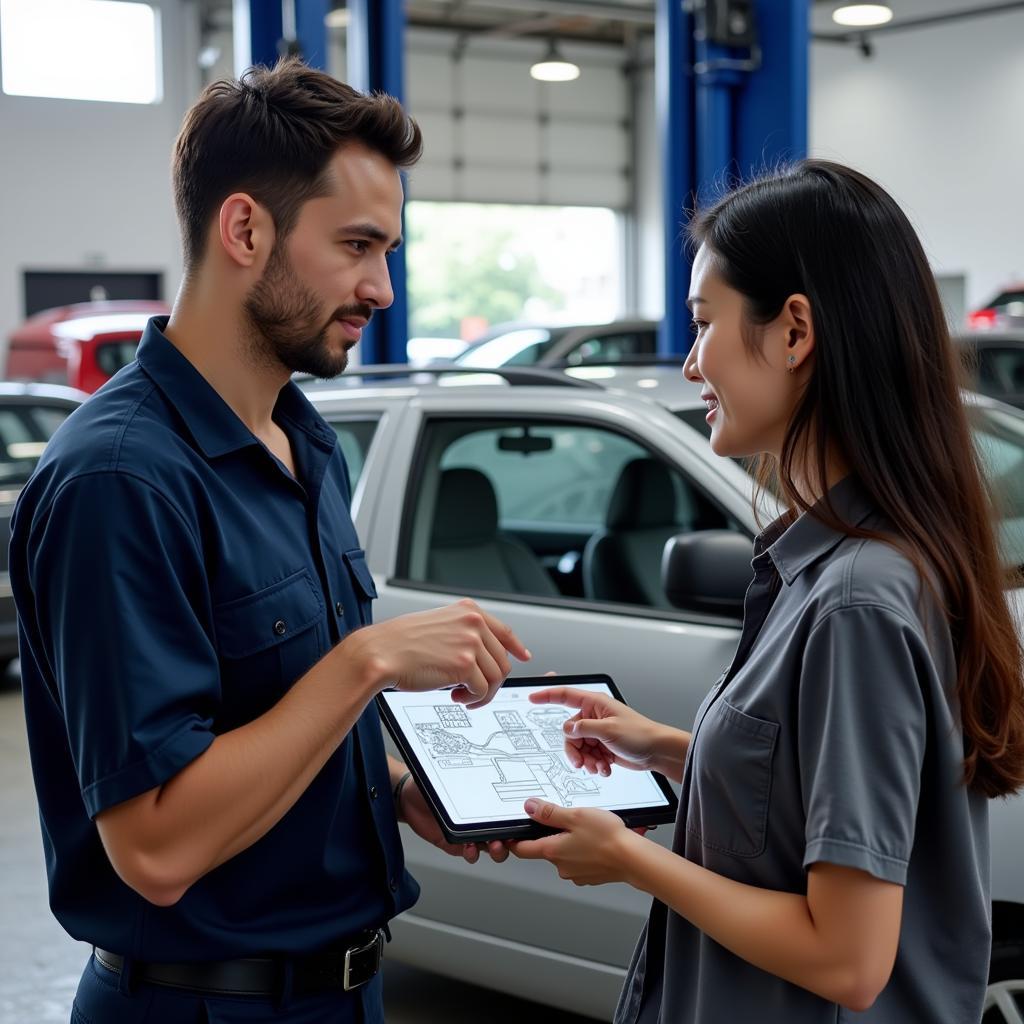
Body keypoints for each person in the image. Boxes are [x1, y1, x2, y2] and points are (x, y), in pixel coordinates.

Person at [9, 58, 530, 1024]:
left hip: (344, 992)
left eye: (391, 251)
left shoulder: (304, 440)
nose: (381, 288)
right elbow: (155, 848)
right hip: (201, 1006)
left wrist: (400, 785)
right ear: (244, 228)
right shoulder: (122, 480)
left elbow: (267, 720)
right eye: (358, 246)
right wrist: (366, 662)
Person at [511, 160, 1024, 1022]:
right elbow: (812, 791)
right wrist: (670, 747)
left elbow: (847, 958)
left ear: (794, 332)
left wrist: (629, 858)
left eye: (704, 323)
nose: (690, 361)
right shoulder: (836, 563)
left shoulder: (857, 599)